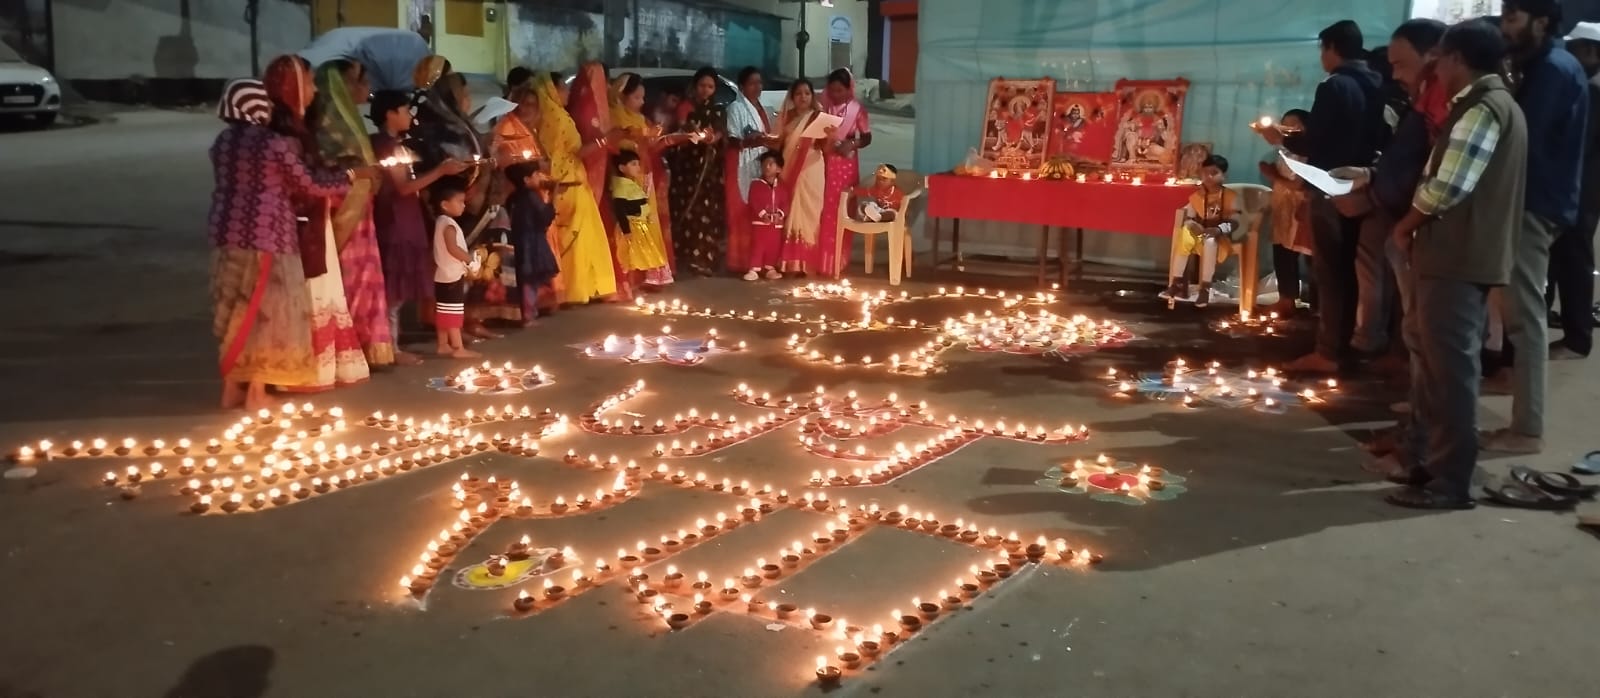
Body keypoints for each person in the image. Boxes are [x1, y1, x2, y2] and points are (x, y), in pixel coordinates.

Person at [1384, 18, 1526, 510]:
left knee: (1451, 371)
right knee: (1442, 366)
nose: (1435, 69)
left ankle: (1450, 481)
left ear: (1458, 60)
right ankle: (1430, 464)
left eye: (1440, 59)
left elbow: (1448, 185)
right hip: (1458, 254)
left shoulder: (1483, 108)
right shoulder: (1491, 105)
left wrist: (1405, 225)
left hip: (1456, 256)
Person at [1328, 18, 1451, 476]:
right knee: (1420, 337)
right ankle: (1416, 438)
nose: (1393, 74)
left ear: (1439, 56)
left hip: (1429, 233)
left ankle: (1432, 456)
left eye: (1400, 64)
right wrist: (1373, 179)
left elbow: (1440, 179)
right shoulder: (1428, 99)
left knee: (1433, 343)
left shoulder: (1463, 106)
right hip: (1406, 218)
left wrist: (1389, 205)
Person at [1481, 0, 1588, 455]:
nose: (1505, 28)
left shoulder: (1552, 70)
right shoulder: (1542, 63)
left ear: (1540, 22)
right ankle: (1523, 415)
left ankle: (1527, 431)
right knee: (1519, 315)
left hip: (1533, 203)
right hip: (1533, 200)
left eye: (1512, 18)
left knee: (1525, 320)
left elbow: (1520, 135)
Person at [209, 76, 348, 411]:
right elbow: (309, 184)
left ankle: (231, 387)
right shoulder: (272, 144)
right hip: (267, 235)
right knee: (268, 312)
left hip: (224, 234)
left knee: (234, 311)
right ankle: (257, 391)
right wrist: (349, 177)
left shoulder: (223, 142)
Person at [1277, 20, 1384, 373]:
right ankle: (1353, 341)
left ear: (1332, 48)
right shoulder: (1376, 81)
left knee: (1331, 270)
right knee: (1355, 268)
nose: (1322, 57)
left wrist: (1282, 137)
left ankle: (1329, 352)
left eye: (1323, 49)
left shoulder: (1336, 85)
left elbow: (1317, 139)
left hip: (1331, 184)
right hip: (1364, 184)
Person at [273, 57, 370, 392]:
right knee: (308, 290)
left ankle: (320, 368)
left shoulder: (300, 127)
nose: (315, 91)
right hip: (297, 223)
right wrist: (352, 175)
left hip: (315, 218)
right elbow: (305, 182)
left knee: (321, 287)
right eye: (310, 84)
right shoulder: (284, 133)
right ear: (293, 88)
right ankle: (301, 370)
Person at [309, 59, 398, 370]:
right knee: (346, 281)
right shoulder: (328, 127)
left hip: (362, 216)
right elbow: (325, 174)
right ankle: (348, 349)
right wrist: (361, 175)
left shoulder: (352, 125)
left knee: (365, 280)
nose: (366, 88)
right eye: (360, 81)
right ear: (343, 86)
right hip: (342, 216)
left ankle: (367, 347)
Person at [369, 90, 468, 365]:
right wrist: (440, 172)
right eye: (403, 110)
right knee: (392, 289)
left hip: (405, 218)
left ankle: (392, 345)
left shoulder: (398, 144)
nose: (409, 115)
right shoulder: (385, 145)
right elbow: (402, 187)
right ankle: (391, 348)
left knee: (397, 291)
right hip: (394, 220)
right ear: (390, 114)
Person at [532, 71, 617, 303]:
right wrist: (603, 140)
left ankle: (574, 290)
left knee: (573, 236)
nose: (568, 92)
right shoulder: (557, 117)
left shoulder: (550, 114)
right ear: (553, 89)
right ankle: (573, 291)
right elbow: (572, 152)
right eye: (564, 88)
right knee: (576, 238)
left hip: (564, 179)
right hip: (567, 181)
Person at [1548, 20, 1600, 360]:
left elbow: (1580, 145)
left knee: (1574, 260)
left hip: (1581, 189)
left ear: (1592, 51)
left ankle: (1577, 339)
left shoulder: (1593, 90)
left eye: (1577, 49)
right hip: (1585, 188)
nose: (1571, 54)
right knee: (1568, 259)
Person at [490, 76, 564, 313]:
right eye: (524, 104)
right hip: (518, 198)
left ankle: (539, 302)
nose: (529, 109)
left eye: (533, 104)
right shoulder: (506, 128)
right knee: (524, 257)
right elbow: (505, 162)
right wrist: (531, 173)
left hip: (533, 191)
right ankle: (525, 308)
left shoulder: (529, 129)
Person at [610, 71, 687, 282]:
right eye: (636, 97)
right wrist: (637, 136)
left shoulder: (642, 119)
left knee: (647, 223)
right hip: (625, 179)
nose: (641, 102)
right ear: (621, 95)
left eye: (643, 97)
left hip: (645, 175)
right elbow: (617, 146)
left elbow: (655, 145)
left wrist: (680, 137)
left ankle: (649, 273)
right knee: (630, 225)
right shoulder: (614, 117)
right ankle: (629, 276)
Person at [665, 67, 729, 276]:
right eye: (702, 85)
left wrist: (711, 138)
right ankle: (686, 258)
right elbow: (681, 129)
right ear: (695, 86)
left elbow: (719, 133)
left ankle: (706, 260)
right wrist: (691, 133)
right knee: (689, 210)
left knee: (707, 212)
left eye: (710, 86)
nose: (705, 90)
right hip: (687, 167)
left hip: (709, 169)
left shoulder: (718, 110)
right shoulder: (686, 107)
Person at [1164, 155, 1241, 308]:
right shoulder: (1197, 196)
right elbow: (1188, 214)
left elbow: (1236, 221)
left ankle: (1205, 287)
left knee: (1210, 241)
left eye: (1214, 172)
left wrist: (1218, 229)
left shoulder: (1231, 197)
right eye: (1205, 172)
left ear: (1224, 175)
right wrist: (1192, 224)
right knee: (1185, 234)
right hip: (1201, 235)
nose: (1209, 176)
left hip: (1220, 238)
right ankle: (1176, 281)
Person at [818, 69, 873, 277]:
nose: (836, 94)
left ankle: (839, 258)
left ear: (848, 89)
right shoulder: (824, 106)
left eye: (840, 90)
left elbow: (867, 137)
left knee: (842, 206)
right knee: (825, 207)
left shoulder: (857, 109)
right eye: (832, 90)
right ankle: (822, 258)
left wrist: (852, 144)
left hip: (846, 163)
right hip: (825, 159)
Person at [1259, 109, 1312, 313]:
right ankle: (1286, 299)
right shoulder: (1284, 151)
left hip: (1300, 209)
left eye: (1294, 125)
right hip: (1283, 208)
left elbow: (1299, 184)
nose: (1289, 129)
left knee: (1306, 255)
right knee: (1282, 252)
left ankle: (1316, 304)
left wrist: (1271, 174)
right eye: (1285, 125)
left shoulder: (1306, 153)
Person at [726, 66, 776, 275]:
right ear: (742, 86)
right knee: (740, 212)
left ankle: (758, 261)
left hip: (759, 162)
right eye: (752, 83)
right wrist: (754, 140)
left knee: (758, 210)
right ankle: (740, 261)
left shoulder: (761, 108)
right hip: (741, 163)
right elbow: (732, 139)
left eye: (760, 83)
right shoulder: (735, 108)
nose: (758, 87)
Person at [776, 79, 826, 276]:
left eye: (807, 93)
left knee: (810, 213)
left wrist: (829, 137)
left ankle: (807, 263)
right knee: (791, 212)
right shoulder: (786, 119)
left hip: (812, 170)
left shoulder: (818, 117)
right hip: (790, 168)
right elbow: (779, 145)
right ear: (792, 97)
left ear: (812, 96)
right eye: (798, 93)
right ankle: (791, 264)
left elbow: (826, 148)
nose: (803, 97)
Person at [504, 160, 562, 324]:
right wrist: (553, 197)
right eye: (536, 175)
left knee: (523, 278)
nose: (539, 177)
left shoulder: (512, 198)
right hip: (532, 242)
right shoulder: (531, 196)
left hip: (517, 240)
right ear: (526, 180)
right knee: (530, 279)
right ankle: (528, 314)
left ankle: (526, 312)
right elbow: (544, 217)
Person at [609, 150, 676, 286]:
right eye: (633, 164)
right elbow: (619, 209)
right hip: (631, 227)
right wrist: (626, 231)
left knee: (641, 256)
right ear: (622, 168)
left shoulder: (632, 184)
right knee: (629, 257)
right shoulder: (621, 186)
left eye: (638, 164)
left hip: (641, 226)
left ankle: (642, 281)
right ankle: (627, 284)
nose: (638, 168)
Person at [432, 178, 481, 358]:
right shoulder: (449, 225)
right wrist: (470, 260)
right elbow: (453, 248)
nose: (463, 206)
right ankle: (458, 348)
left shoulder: (441, 222)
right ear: (445, 204)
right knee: (453, 313)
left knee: (444, 311)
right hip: (452, 276)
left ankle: (443, 344)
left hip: (442, 275)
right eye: (459, 202)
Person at [744, 151, 788, 280]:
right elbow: (753, 201)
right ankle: (754, 269)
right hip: (760, 223)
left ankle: (770, 268)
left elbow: (786, 202)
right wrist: (762, 214)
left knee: (773, 246)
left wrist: (781, 214)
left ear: (779, 169)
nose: (767, 167)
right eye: (764, 164)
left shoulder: (783, 186)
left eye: (771, 164)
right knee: (758, 246)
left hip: (776, 225)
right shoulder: (755, 184)